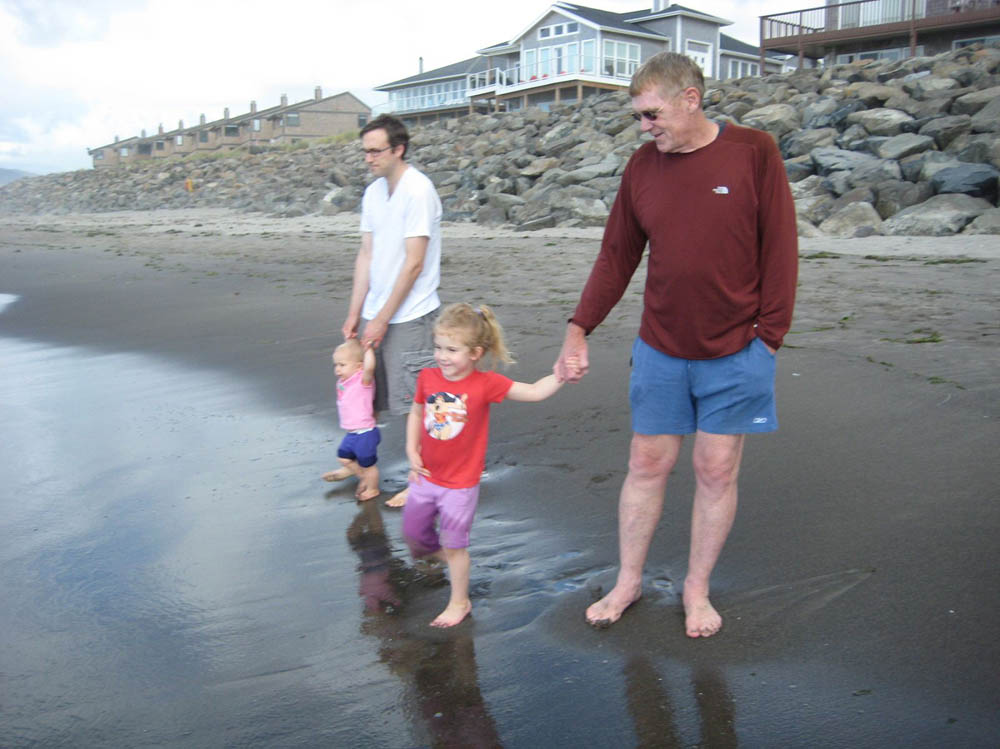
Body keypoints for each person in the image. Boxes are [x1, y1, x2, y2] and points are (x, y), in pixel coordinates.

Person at [553, 52, 798, 638]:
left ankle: (696, 589)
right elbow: (616, 256)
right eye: (638, 117)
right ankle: (628, 581)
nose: (645, 128)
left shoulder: (754, 151)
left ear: (691, 99)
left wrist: (769, 339)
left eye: (652, 114)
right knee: (647, 463)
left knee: (716, 469)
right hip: (661, 347)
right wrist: (578, 328)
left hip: (738, 349)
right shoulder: (642, 166)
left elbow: (780, 249)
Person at [404, 303, 570, 627]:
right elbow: (416, 411)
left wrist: (562, 373)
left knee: (454, 546)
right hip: (425, 475)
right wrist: (411, 449)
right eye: (438, 347)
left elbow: (534, 392)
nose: (442, 356)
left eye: (452, 350)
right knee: (415, 537)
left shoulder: (485, 384)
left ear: (475, 353)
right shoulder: (427, 377)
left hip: (460, 484)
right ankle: (450, 559)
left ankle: (459, 601)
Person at [343, 114, 442, 508]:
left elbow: (414, 263)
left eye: (375, 151)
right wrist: (356, 313)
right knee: (368, 395)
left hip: (412, 314)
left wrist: (383, 319)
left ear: (398, 149)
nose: (368, 158)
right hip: (377, 310)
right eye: (365, 151)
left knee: (415, 404)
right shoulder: (373, 193)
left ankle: (425, 479)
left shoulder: (418, 190)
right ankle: (363, 466)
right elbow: (366, 254)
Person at [322, 339, 381, 501]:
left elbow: (370, 367)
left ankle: (373, 488)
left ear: (359, 367)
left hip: (366, 433)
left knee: (369, 465)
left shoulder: (363, 380)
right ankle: (361, 475)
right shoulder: (343, 382)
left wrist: (368, 349)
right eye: (336, 365)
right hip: (352, 433)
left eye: (342, 365)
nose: (337, 369)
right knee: (343, 457)